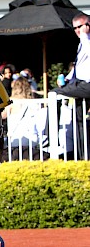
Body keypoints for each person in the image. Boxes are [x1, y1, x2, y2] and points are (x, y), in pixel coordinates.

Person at [50, 13, 90, 160]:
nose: (77, 31)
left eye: (80, 27)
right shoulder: (82, 43)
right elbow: (80, 65)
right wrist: (66, 78)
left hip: (87, 85)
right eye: (75, 28)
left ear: (87, 26)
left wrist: (85, 36)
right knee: (78, 121)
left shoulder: (86, 41)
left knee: (54, 94)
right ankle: (82, 156)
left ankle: (51, 139)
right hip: (80, 84)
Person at [1, 76, 49, 161]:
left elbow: (2, 116)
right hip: (32, 141)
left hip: (15, 140)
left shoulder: (12, 102)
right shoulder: (34, 102)